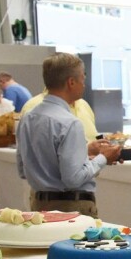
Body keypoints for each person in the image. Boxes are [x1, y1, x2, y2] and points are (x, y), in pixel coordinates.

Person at [16, 53, 121, 217]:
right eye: (82, 79)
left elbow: (23, 169)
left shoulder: (28, 118)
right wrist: (103, 158)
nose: (84, 85)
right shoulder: (70, 123)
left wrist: (84, 151)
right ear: (71, 82)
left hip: (39, 205)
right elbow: (73, 179)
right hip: (71, 208)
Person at [20, 91, 98, 142]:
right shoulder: (34, 107)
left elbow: (93, 135)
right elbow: (41, 153)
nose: (84, 83)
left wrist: (102, 139)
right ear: (71, 82)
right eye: (81, 77)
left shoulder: (84, 104)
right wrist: (87, 150)